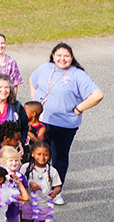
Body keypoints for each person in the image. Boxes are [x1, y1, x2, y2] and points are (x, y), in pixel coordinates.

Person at [29, 43, 102, 190]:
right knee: (35, 154)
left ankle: (55, 189)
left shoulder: (77, 75)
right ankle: (35, 186)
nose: (62, 59)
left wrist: (79, 108)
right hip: (40, 121)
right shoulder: (45, 68)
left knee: (58, 157)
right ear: (53, 56)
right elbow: (32, 79)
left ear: (72, 57)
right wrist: (35, 100)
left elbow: (98, 95)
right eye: (59, 55)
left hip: (63, 125)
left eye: (66, 56)